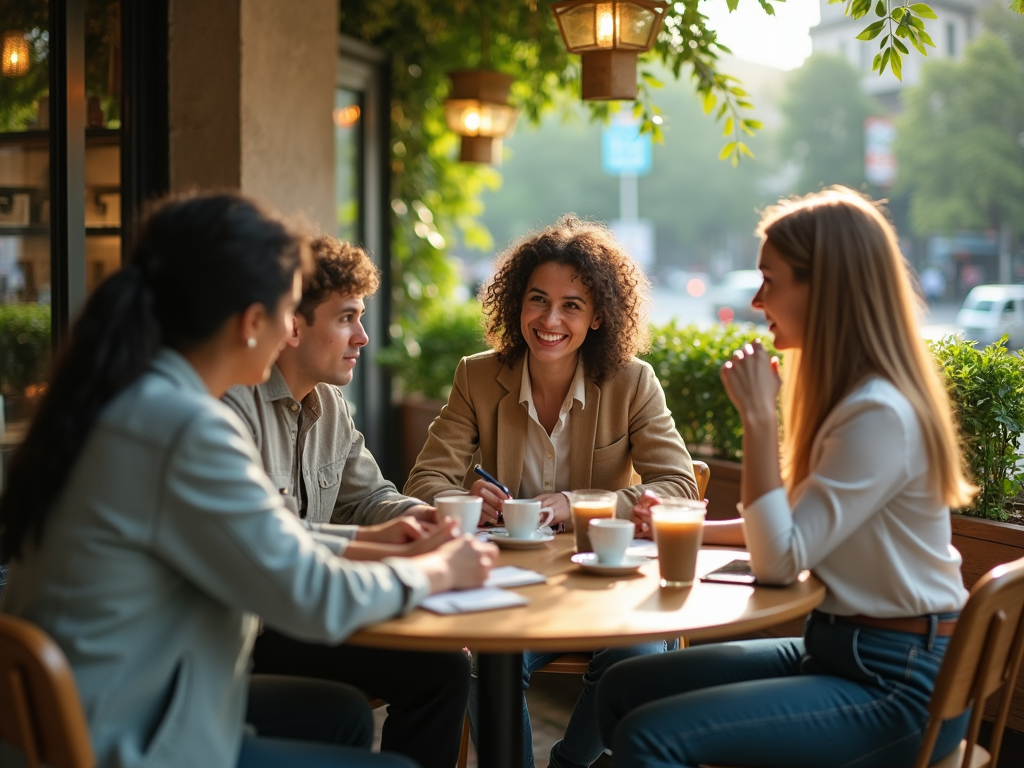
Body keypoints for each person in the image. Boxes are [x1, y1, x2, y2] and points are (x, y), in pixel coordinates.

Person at [0, 193, 496, 768]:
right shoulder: (183, 428)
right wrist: (434, 572)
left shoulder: (134, 400)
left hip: (110, 705)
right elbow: (313, 597)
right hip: (129, 740)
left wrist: (368, 539)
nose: (291, 330)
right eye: (289, 312)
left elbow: (253, 533)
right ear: (252, 322)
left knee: (340, 716)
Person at [596, 186, 974, 768]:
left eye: (770, 280)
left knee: (651, 735)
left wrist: (757, 418)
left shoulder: (877, 414)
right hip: (842, 651)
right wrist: (682, 529)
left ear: (824, 289)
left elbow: (778, 561)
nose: (755, 298)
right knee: (626, 685)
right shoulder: (854, 398)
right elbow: (789, 533)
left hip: (896, 680)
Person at [405, 214, 700, 768]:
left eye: (572, 306)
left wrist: (581, 504)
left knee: (634, 657)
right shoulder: (476, 377)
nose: (551, 320)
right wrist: (464, 497)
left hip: (602, 586)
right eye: (538, 300)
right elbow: (423, 482)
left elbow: (680, 488)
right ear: (516, 304)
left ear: (597, 318)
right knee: (478, 659)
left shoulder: (632, 381)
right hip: (505, 582)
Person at [223, 235, 469, 768]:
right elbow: (273, 543)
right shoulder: (230, 408)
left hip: (301, 609)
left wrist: (419, 517)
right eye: (346, 318)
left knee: (442, 666)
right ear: (293, 326)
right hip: (250, 629)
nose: (362, 337)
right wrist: (396, 554)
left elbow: (369, 494)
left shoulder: (330, 402)